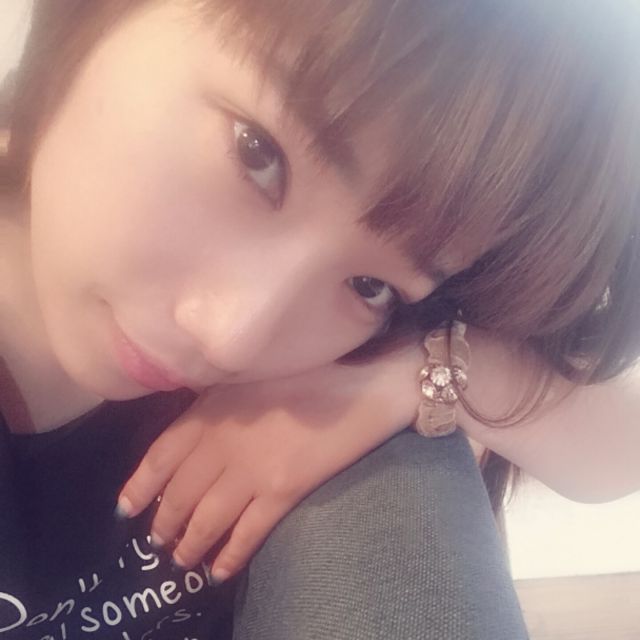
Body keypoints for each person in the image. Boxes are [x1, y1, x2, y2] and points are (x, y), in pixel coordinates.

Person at [0, 0, 638, 638]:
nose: (232, 340)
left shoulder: (364, 345)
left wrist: (431, 367)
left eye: (371, 286)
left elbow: (618, 447)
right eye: (255, 153)